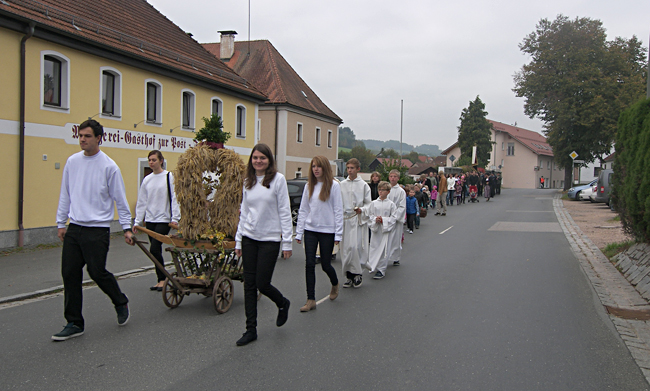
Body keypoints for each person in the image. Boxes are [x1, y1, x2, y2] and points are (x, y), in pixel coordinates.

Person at [52, 119, 133, 341]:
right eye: (80, 136)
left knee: (97, 272)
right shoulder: (72, 162)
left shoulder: (109, 166)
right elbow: (65, 193)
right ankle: (74, 322)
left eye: (87, 136)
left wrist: (127, 227)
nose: (82, 139)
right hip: (75, 227)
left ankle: (120, 300)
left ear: (99, 138)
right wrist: (61, 222)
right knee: (69, 273)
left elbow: (120, 200)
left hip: (97, 229)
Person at [234, 144, 293, 346]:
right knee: (249, 285)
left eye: (262, 158)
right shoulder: (247, 181)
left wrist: (287, 242)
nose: (258, 161)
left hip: (270, 239)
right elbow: (244, 211)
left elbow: (285, 211)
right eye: (255, 158)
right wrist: (239, 239)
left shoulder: (278, 180)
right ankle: (251, 329)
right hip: (250, 237)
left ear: (269, 160)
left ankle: (282, 303)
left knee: (262, 283)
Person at [295, 156, 343, 312]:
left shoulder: (334, 186)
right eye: (313, 166)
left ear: (325, 168)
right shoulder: (309, 185)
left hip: (327, 231)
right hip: (310, 230)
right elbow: (303, 209)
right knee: (309, 264)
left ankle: (335, 283)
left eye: (319, 166)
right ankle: (310, 299)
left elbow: (338, 211)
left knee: (325, 265)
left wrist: (338, 235)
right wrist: (299, 232)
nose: (315, 169)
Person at [133, 150, 181, 291]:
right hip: (150, 220)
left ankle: (163, 278)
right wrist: (137, 221)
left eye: (154, 159)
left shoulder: (168, 177)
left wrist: (175, 219)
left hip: (164, 219)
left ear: (161, 161)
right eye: (149, 160)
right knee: (155, 250)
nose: (151, 162)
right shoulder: (147, 179)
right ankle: (160, 279)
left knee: (154, 248)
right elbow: (142, 201)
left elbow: (175, 198)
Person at [339, 158, 371, 289]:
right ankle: (348, 275)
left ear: (358, 169)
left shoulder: (363, 185)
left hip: (357, 220)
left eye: (352, 168)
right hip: (345, 220)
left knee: (355, 247)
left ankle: (357, 274)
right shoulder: (342, 184)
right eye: (348, 168)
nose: (350, 170)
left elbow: (369, 204)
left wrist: (361, 210)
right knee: (346, 249)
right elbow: (338, 201)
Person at [365, 181, 399, 278]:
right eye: (379, 190)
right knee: (374, 248)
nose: (381, 192)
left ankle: (381, 270)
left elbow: (394, 217)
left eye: (383, 190)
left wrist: (383, 220)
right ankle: (373, 266)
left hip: (385, 231)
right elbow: (369, 215)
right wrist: (375, 219)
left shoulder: (391, 204)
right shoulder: (373, 203)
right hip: (376, 230)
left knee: (384, 249)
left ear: (388, 192)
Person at [383, 169, 406, 272]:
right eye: (391, 176)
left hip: (396, 219)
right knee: (386, 239)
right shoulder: (386, 189)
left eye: (394, 176)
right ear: (389, 177)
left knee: (396, 239)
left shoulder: (401, 191)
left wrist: (395, 217)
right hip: (386, 217)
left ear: (398, 178)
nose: (392, 178)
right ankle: (385, 256)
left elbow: (402, 206)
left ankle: (395, 258)